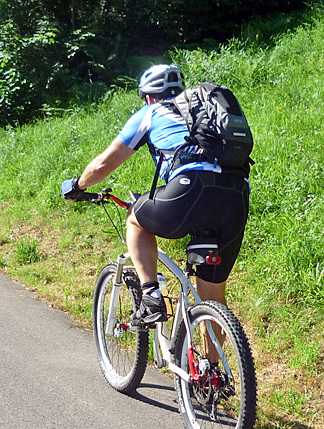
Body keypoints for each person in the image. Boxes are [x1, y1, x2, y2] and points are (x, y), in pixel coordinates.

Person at [62, 64, 250, 338]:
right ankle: (212, 377)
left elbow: (103, 165)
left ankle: (151, 294)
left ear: (149, 96)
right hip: (236, 196)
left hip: (190, 190)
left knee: (135, 219)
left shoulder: (151, 113)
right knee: (212, 297)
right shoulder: (204, 115)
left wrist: (77, 186)